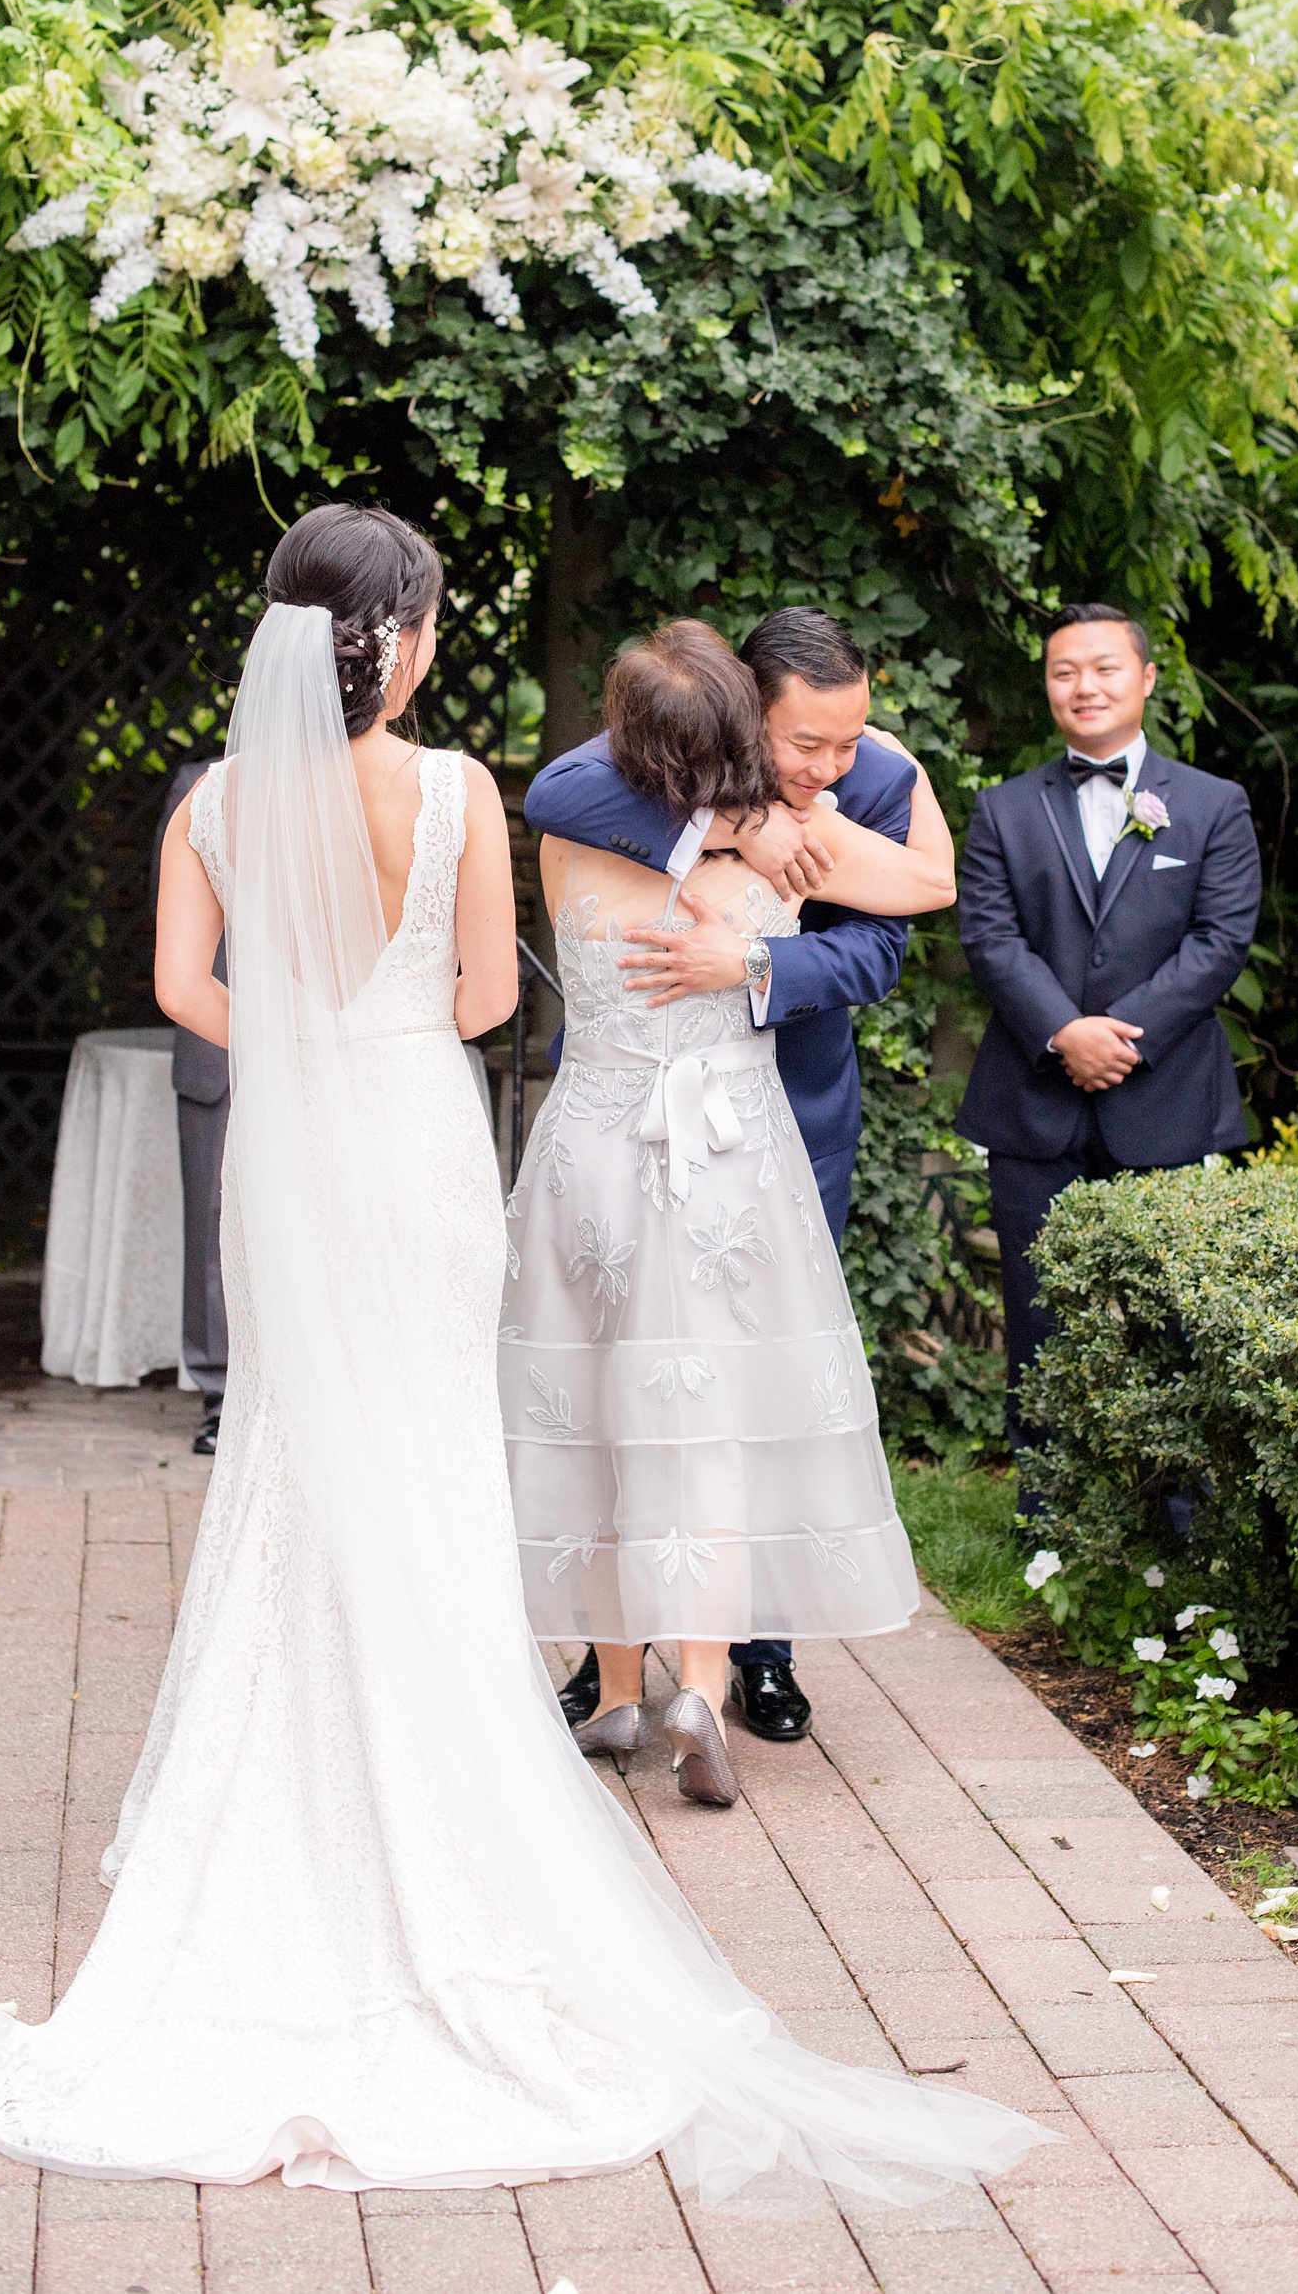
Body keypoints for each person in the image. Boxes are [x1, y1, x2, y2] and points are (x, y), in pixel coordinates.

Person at [0, 505, 1048, 2203]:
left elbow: (184, 982)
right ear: (404, 637)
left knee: (297, 1448)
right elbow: (474, 1004)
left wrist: (299, 1027)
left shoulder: (218, 799)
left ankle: (309, 1785)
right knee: (440, 1453)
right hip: (415, 1143)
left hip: (298, 1150)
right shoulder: (453, 786)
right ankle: (465, 1793)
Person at [504, 621, 956, 1805]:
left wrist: (753, 968)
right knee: (710, 1405)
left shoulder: (852, 782)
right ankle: (673, 1678)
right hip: (719, 1147)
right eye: (809, 741)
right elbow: (927, 877)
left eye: (848, 740)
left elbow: (884, 944)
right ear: (745, 718)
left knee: (616, 1399)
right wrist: (729, 827)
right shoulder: (713, 822)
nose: (832, 763)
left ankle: (695, 1672)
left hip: (641, 1138)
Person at [956, 604, 1261, 1488]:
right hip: (1032, 1106)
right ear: (1047, 685)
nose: (1083, 687)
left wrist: (1119, 1038)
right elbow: (991, 938)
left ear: (1146, 678)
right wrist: (1064, 1032)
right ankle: (1051, 1520)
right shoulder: (1004, 810)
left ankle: (1173, 1523)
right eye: (1063, 672)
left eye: (1103, 669)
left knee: (1172, 1323)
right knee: (1039, 1322)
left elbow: (1220, 941)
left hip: (1163, 1100)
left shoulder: (1212, 805)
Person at [151, 760, 229, 1453]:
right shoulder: (199, 787)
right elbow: (174, 922)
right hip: (217, 1045)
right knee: (210, 1228)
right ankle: (218, 1395)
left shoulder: (363, 789)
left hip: (327, 1045)